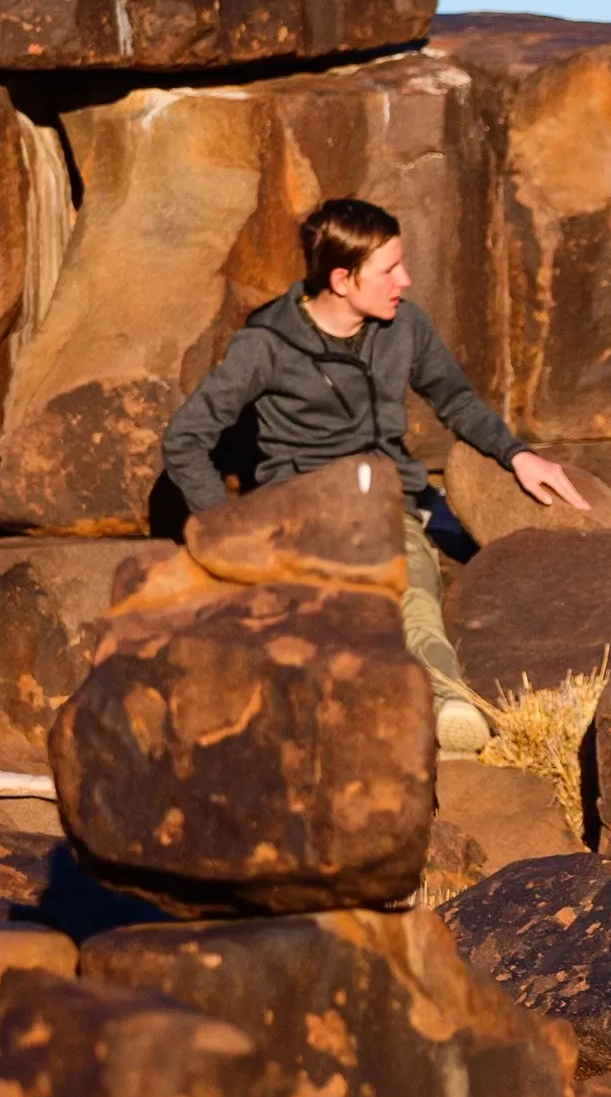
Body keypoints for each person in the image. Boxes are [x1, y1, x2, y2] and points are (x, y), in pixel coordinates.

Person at [159, 197, 588, 754]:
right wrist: (227, 531)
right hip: (300, 518)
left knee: (412, 597)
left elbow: (455, 400)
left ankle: (446, 704)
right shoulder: (264, 344)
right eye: (389, 270)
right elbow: (184, 439)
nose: (404, 281)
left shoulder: (404, 327)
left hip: (386, 510)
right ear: (341, 279)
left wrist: (518, 455)